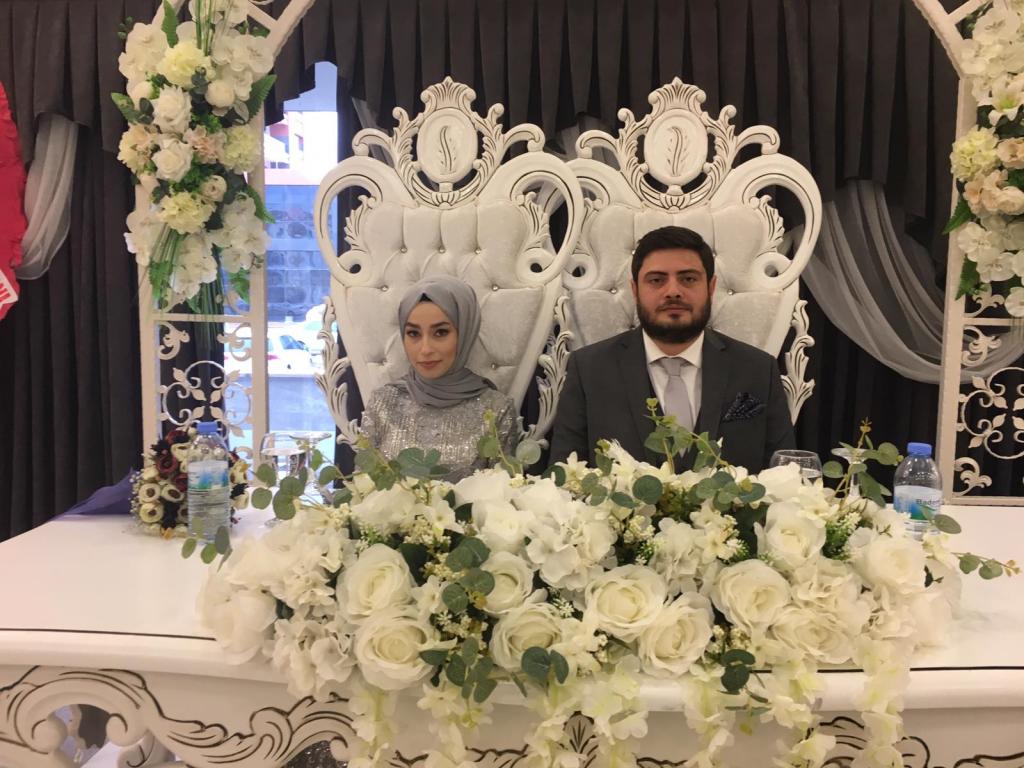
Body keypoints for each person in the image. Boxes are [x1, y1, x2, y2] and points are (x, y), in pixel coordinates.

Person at [549, 226, 795, 472]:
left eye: (688, 279)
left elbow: (785, 476)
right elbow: (564, 477)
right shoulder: (589, 370)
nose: (673, 291)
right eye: (657, 280)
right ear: (635, 290)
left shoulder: (758, 370)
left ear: (711, 287)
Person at [360, 275, 519, 480]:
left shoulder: (496, 409)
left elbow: (502, 494)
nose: (425, 349)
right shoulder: (383, 403)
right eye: (414, 334)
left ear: (465, 332)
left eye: (441, 332)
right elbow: (361, 489)